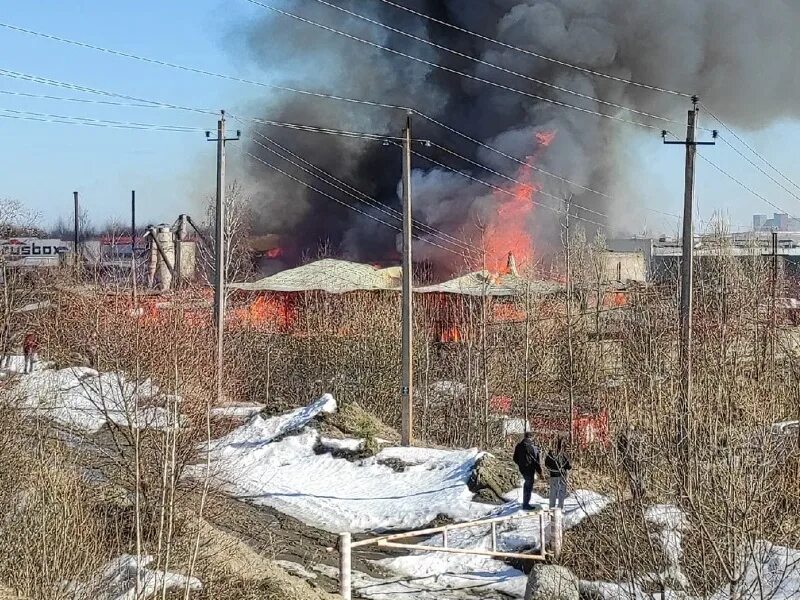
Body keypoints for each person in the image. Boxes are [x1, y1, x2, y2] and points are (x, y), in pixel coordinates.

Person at [513, 431, 543, 510]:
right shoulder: (532, 447)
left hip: (522, 469)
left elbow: (515, 458)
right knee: (528, 486)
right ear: (531, 437)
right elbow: (536, 461)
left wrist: (520, 464)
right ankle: (526, 504)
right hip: (530, 469)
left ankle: (525, 503)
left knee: (527, 484)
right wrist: (540, 472)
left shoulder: (518, 446)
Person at [545, 436, 572, 510]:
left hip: (553, 475)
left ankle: (551, 507)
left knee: (553, 492)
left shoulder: (550, 454)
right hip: (562, 476)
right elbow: (568, 466)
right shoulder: (563, 455)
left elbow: (546, 464)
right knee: (561, 492)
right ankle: (560, 507)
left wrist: (551, 469)